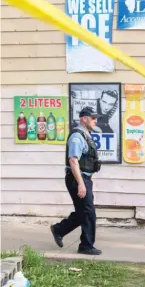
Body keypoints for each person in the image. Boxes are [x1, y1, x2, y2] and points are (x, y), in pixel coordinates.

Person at [50, 107, 102, 255]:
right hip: (77, 179)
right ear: (83, 118)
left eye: (95, 118)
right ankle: (86, 245)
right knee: (88, 212)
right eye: (92, 118)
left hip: (84, 178)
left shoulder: (86, 135)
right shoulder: (77, 137)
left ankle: (59, 229)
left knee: (83, 212)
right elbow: (73, 160)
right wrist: (81, 183)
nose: (95, 121)